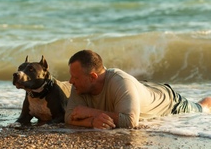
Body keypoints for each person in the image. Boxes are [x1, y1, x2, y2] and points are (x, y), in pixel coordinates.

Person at [64, 50, 211, 129]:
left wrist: (91, 113)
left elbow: (129, 121)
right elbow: (69, 117)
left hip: (167, 102)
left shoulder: (119, 81)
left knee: (201, 108)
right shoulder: (80, 87)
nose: (71, 81)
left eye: (75, 77)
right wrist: (91, 122)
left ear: (93, 77)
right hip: (138, 91)